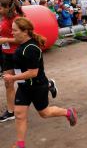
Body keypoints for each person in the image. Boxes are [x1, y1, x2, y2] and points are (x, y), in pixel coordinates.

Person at [3, 17, 77, 148]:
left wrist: (12, 78)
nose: (12, 33)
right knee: (19, 114)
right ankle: (20, 145)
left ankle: (68, 112)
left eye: (14, 30)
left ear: (25, 31)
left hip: (37, 86)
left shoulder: (31, 48)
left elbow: (33, 72)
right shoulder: (22, 44)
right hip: (24, 86)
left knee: (44, 113)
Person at [0, 0, 57, 123]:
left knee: (28, 79)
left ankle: (48, 85)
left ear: (6, 8)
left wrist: (6, 40)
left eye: (0, 7)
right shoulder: (4, 18)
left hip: (18, 54)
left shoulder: (17, 20)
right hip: (6, 54)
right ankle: (11, 112)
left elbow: (23, 38)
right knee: (8, 83)